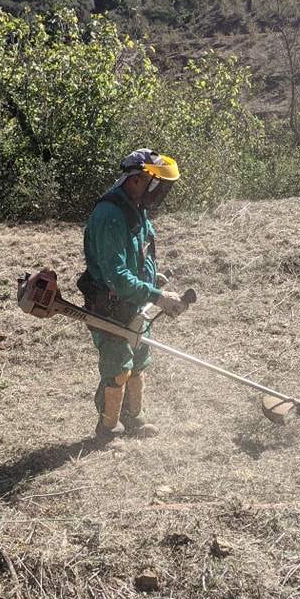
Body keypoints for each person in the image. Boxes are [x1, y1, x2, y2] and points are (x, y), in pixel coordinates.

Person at [78, 149, 189, 438]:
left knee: (139, 361)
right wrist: (157, 296)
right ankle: (107, 428)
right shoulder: (109, 214)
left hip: (135, 304)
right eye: (158, 184)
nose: (161, 191)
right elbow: (116, 277)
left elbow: (145, 252)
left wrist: (153, 277)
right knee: (118, 368)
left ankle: (134, 419)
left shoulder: (135, 207)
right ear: (138, 180)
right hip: (110, 305)